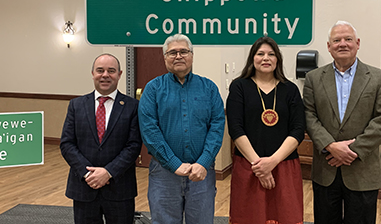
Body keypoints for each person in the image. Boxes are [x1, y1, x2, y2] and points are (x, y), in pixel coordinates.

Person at [303, 21, 381, 224]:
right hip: (326, 169)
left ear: (358, 43)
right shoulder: (313, 78)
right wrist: (330, 146)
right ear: (329, 46)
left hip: (362, 169)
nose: (342, 44)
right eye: (336, 40)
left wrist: (350, 150)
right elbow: (309, 115)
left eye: (348, 39)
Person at [138, 33, 225, 224]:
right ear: (165, 58)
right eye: (172, 53)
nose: (178, 56)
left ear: (192, 55)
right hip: (163, 173)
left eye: (183, 51)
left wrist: (203, 162)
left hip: (201, 172)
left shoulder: (209, 88)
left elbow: (217, 128)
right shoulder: (153, 89)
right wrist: (174, 164)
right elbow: (149, 131)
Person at [226, 36, 306, 224]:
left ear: (278, 59)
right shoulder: (239, 87)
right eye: (260, 54)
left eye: (271, 54)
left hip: (284, 165)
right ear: (252, 58)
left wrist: (272, 162)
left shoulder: (290, 89)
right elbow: (236, 129)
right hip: (249, 165)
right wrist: (260, 167)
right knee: (248, 217)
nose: (265, 58)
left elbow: (298, 129)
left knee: (286, 217)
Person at [60, 53, 142, 224]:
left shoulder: (132, 107)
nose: (105, 75)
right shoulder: (76, 105)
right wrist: (87, 173)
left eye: (111, 71)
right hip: (84, 187)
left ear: (119, 74)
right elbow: (67, 144)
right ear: (92, 74)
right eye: (100, 70)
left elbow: (133, 145)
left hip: (119, 189)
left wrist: (108, 172)